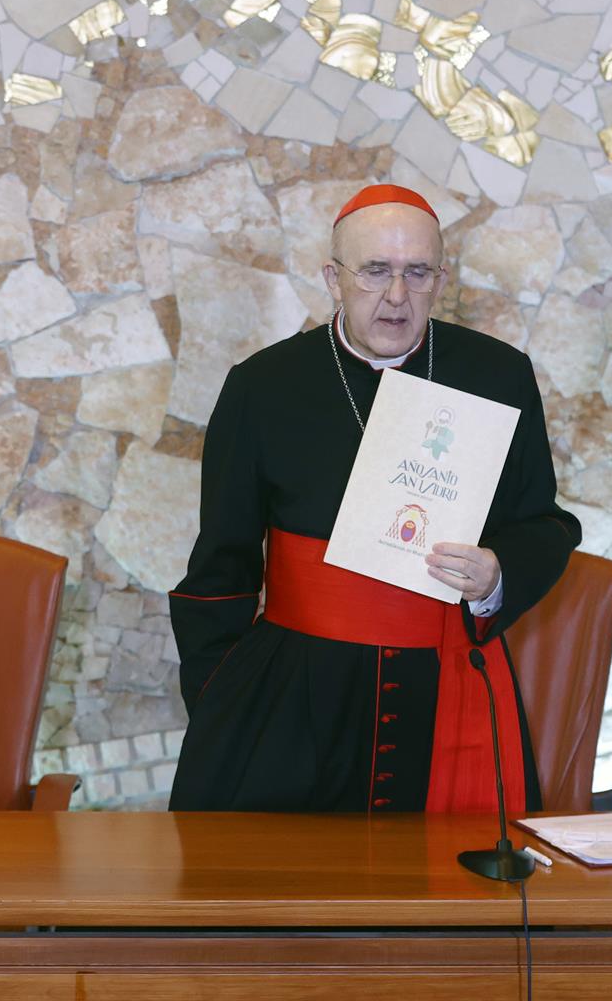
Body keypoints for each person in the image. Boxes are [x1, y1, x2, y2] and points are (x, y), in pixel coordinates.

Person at [169, 184, 581, 812]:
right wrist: (225, 700)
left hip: (445, 686)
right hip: (295, 696)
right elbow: (221, 567)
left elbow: (544, 524)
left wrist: (498, 574)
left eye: (417, 273)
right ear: (333, 278)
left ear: (440, 279)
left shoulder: (499, 375)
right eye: (375, 271)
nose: (397, 297)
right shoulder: (261, 387)